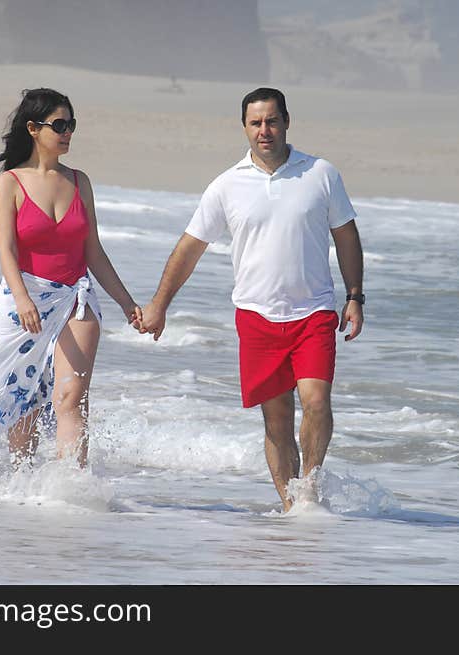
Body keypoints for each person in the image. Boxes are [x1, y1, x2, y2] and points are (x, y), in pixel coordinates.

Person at [137, 87, 364, 511]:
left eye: (272, 121)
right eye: (256, 123)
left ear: (286, 122)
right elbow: (189, 248)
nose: (265, 130)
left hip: (313, 313)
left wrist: (355, 296)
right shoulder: (227, 185)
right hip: (256, 317)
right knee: (276, 421)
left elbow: (346, 236)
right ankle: (291, 507)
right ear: (244, 127)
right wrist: (159, 304)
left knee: (316, 403)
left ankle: (309, 491)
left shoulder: (321, 174)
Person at [0, 88, 141, 468]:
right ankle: (24, 481)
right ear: (33, 128)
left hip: (76, 300)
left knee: (70, 398)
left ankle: (72, 488)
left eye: (71, 125)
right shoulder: (9, 182)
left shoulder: (80, 181)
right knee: (23, 402)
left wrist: (127, 303)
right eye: (59, 125)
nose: (67, 133)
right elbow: (6, 251)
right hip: (23, 299)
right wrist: (23, 299)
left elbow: (93, 250)